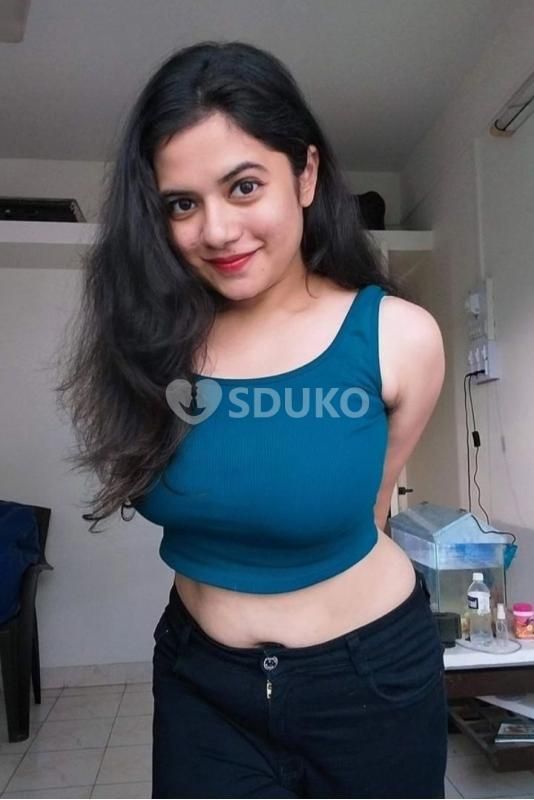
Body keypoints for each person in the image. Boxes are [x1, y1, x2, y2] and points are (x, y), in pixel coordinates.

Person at [56, 40, 447, 799]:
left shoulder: (397, 337)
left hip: (368, 682)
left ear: (305, 175)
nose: (216, 231)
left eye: (243, 187)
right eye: (182, 203)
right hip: (202, 682)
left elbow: (371, 505)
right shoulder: (152, 343)